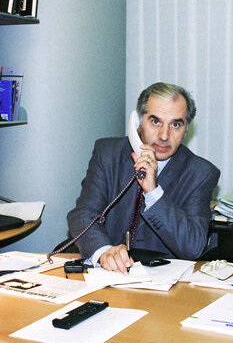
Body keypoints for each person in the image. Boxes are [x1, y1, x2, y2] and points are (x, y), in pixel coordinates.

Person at [67, 82, 220, 273]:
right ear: (138, 124)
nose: (164, 135)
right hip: (108, 275)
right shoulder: (108, 154)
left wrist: (153, 191)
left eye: (176, 124)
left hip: (164, 285)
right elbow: (82, 214)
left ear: (186, 130)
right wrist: (104, 252)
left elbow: (193, 247)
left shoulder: (201, 173)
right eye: (155, 122)